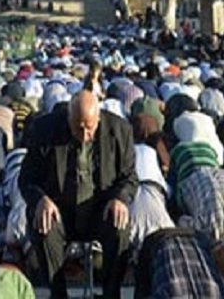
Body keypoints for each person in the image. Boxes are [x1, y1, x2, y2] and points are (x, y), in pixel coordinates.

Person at [18, 90, 137, 298]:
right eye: (78, 128)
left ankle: (111, 293)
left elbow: (129, 177)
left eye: (89, 129)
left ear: (98, 118)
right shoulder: (45, 129)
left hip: (100, 211)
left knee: (120, 225)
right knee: (42, 225)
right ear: (68, 118)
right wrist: (40, 199)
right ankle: (58, 293)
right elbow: (27, 179)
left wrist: (120, 198)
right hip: (61, 211)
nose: (83, 136)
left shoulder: (120, 130)